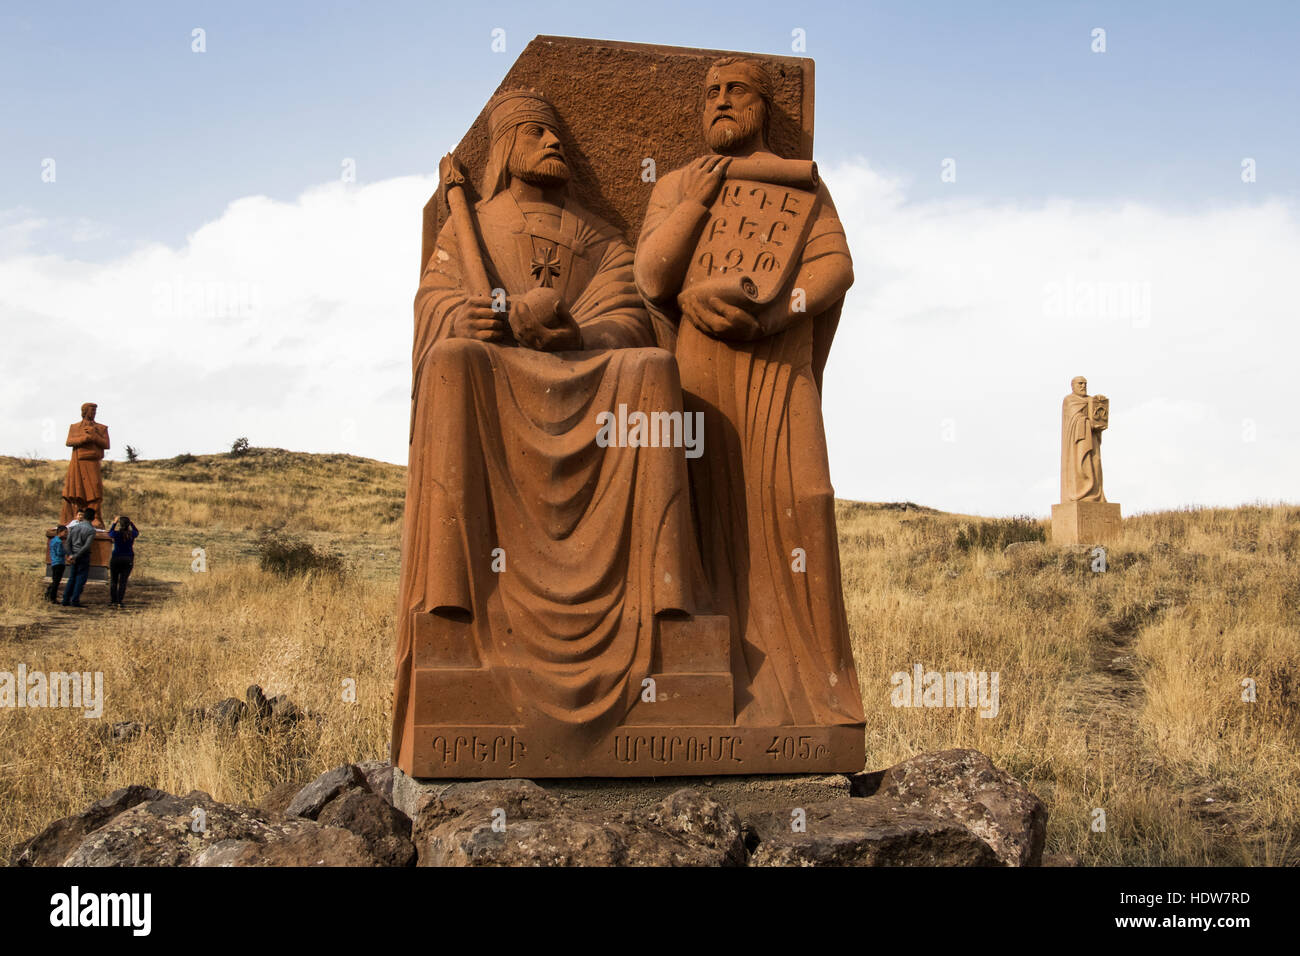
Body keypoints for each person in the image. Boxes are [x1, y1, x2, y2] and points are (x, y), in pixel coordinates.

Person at [61, 507, 96, 608]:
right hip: (82, 555)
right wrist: (76, 556)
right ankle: (75, 599)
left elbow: (68, 542)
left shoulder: (74, 527)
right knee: (80, 578)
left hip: (73, 554)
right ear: (93, 518)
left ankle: (65, 599)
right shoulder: (91, 530)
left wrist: (70, 555)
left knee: (72, 577)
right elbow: (86, 546)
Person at [107, 515, 138, 607]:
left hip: (116, 558)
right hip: (128, 558)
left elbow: (110, 533)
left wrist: (114, 523)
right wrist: (131, 523)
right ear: (128, 524)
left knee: (114, 581)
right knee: (123, 581)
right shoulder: (131, 534)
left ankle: (113, 601)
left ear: (120, 524)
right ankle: (120, 601)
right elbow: (137, 532)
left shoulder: (116, 534)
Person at [46, 525, 67, 602]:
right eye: (65, 532)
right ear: (60, 532)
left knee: (54, 580)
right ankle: (52, 597)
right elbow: (59, 552)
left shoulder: (53, 540)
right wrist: (66, 551)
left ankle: (48, 594)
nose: (66, 534)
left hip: (54, 562)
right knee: (56, 581)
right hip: (59, 562)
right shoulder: (59, 542)